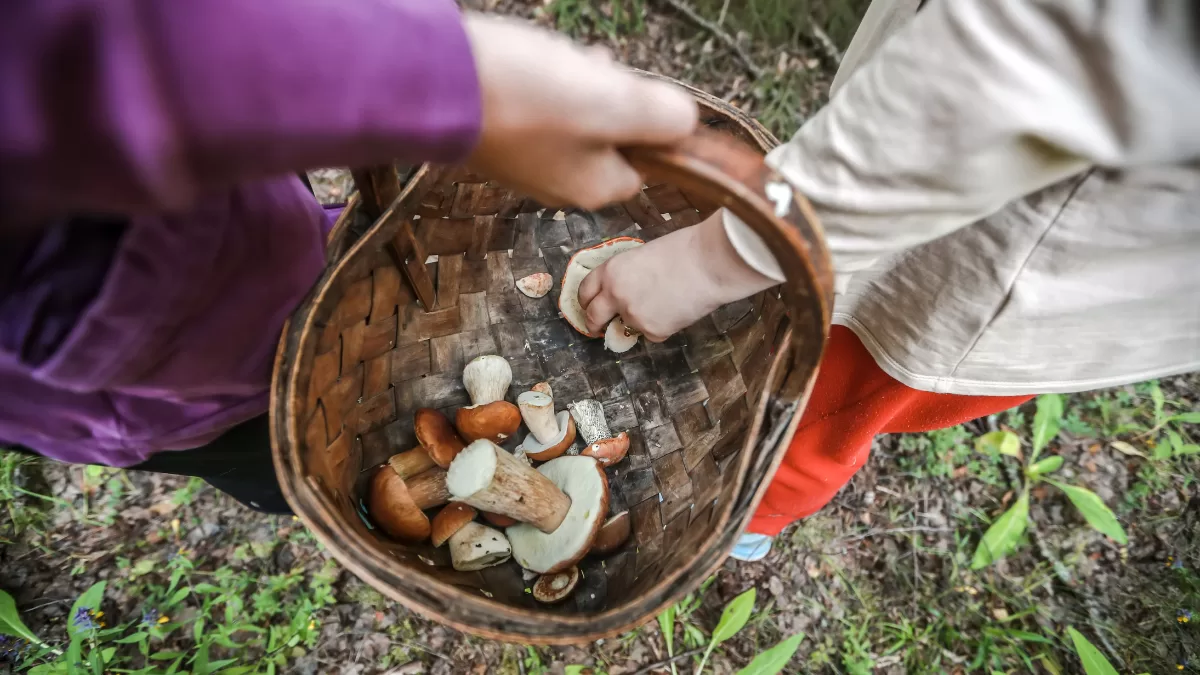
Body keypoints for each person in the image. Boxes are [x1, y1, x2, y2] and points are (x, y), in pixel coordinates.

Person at [1, 0, 698, 513]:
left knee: (306, 276)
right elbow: (55, 68)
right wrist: (456, 81)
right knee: (285, 460)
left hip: (218, 215)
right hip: (149, 372)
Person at [579, 0, 1200, 560]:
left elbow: (1041, 61)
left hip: (998, 267)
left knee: (818, 413)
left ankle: (751, 516)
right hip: (911, 173)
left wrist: (714, 260)